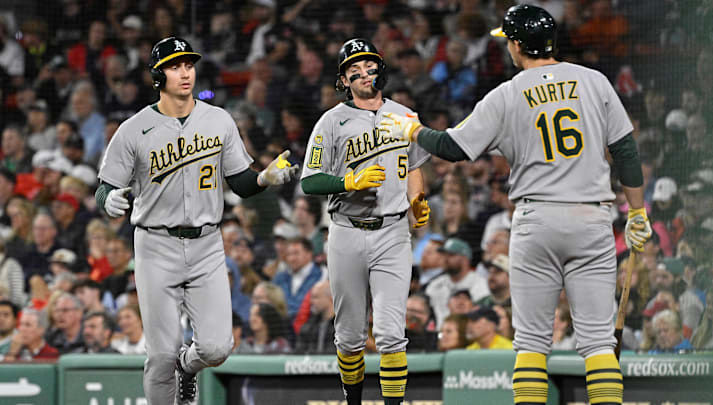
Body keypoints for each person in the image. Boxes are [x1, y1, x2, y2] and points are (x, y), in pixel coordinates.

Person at [379, 5, 653, 404]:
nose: (506, 46)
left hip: (536, 220)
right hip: (592, 218)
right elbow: (626, 152)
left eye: (508, 40)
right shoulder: (593, 81)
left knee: (531, 345)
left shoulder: (507, 93)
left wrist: (413, 129)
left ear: (519, 45)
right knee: (597, 342)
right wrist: (638, 211)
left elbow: (453, 149)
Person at [94, 36, 299, 405]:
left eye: (188, 64)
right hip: (155, 243)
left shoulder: (218, 119)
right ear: (158, 75)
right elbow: (104, 187)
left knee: (218, 348)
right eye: (175, 66)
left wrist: (264, 178)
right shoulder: (134, 128)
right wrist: (108, 198)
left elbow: (240, 181)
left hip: (207, 243)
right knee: (158, 355)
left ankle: (186, 366)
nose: (185, 72)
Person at [300, 38, 431, 405]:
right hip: (347, 231)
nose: (363, 74)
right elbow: (309, 180)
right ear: (343, 79)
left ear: (381, 68)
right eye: (353, 70)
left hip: (392, 231)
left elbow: (416, 167)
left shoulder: (405, 114)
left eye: (369, 66)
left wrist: (417, 199)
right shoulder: (332, 121)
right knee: (350, 335)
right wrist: (347, 181)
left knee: (391, 333)